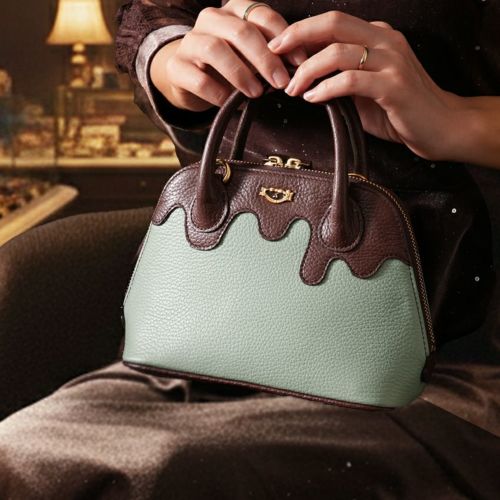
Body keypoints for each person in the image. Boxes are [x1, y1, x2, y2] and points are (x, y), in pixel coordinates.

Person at [0, 1, 498, 498]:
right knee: (28, 455)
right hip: (207, 345)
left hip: (457, 363)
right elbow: (154, 17)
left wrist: (458, 119)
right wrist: (177, 61)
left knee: (158, 470)